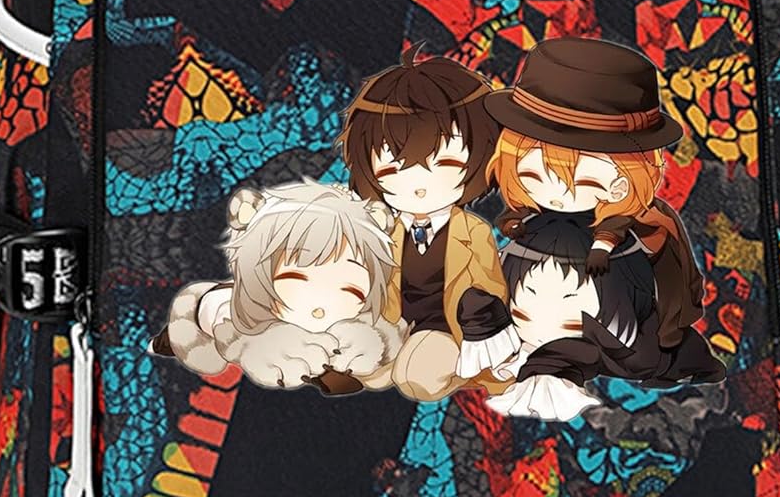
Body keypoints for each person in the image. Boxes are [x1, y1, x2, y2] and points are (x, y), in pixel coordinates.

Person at [485, 37, 726, 386]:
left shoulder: (643, 234)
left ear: (623, 182)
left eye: (582, 182)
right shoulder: (533, 226)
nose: (557, 194)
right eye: (533, 176)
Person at [339, 49, 519, 401]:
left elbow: (491, 290)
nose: (420, 186)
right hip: (395, 326)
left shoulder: (473, 233)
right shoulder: (384, 231)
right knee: (366, 364)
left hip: (450, 331)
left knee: (417, 377)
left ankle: (457, 372)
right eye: (393, 170)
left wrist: (479, 323)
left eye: (446, 164)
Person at [150, 179, 403, 396]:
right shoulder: (233, 312)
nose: (320, 305)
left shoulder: (362, 322)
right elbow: (233, 330)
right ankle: (166, 341)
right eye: (296, 278)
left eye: (349, 289)